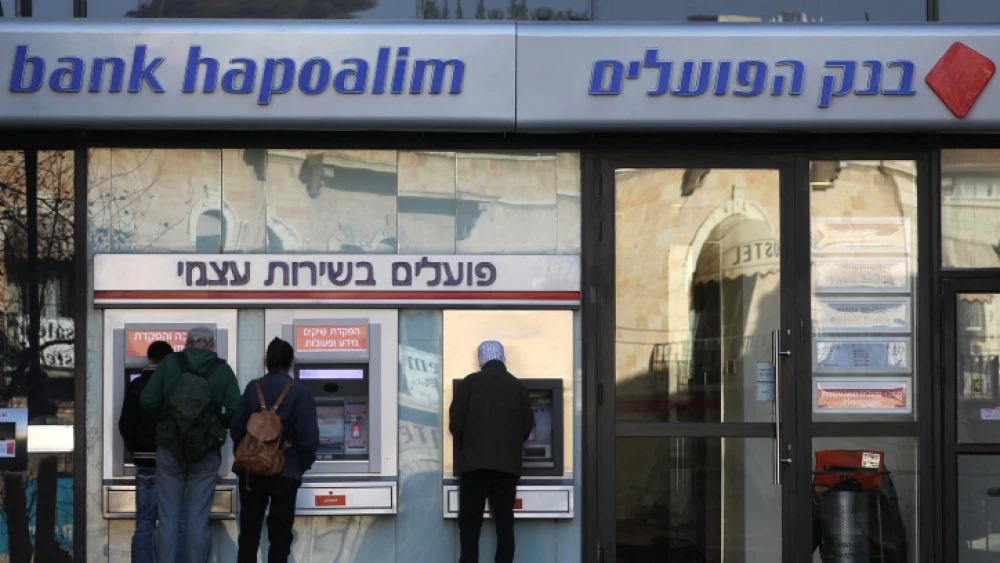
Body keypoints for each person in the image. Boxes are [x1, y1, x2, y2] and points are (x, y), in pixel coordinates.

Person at [141, 326, 241, 563]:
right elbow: (236, 411)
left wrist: (167, 423)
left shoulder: (169, 364)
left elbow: (147, 401)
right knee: (198, 520)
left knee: (168, 518)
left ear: (186, 344)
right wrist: (217, 424)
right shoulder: (222, 369)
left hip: (170, 450)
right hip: (205, 453)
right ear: (211, 345)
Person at [230, 337, 319, 563]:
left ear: (267, 361)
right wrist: (301, 465)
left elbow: (237, 428)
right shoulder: (300, 392)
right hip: (286, 471)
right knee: (280, 537)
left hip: (252, 471)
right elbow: (309, 437)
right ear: (290, 362)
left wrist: (248, 456)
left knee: (249, 533)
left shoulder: (253, 388)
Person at [449, 340, 535, 563]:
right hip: (507, 469)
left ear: (481, 359)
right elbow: (527, 427)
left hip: (473, 467)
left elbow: (455, 423)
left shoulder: (469, 383)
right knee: (505, 524)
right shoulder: (518, 387)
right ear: (503, 358)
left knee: (470, 525)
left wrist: (469, 442)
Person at [118, 340, 188, 563]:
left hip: (145, 464)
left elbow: (125, 425)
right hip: (174, 465)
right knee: (176, 522)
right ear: (169, 360)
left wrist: (136, 448)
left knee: (145, 524)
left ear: (149, 359)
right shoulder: (177, 385)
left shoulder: (136, 385)